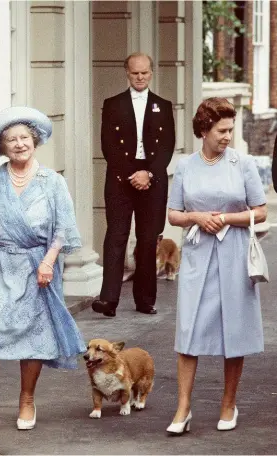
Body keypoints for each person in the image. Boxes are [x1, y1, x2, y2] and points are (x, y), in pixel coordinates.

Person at [0, 107, 86, 433]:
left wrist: (48, 262)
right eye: (11, 140)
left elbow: (63, 230)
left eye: (23, 138)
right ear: (3, 147)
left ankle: (27, 400)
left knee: (33, 335)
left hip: (36, 269)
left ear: (35, 140)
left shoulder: (52, 182)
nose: (19, 144)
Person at [166, 97, 267, 434]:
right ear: (204, 130)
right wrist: (196, 217)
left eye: (230, 129)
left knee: (233, 329)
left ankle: (228, 403)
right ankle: (183, 408)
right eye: (222, 130)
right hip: (197, 254)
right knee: (188, 330)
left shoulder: (243, 163)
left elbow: (261, 210)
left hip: (235, 252)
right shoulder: (185, 165)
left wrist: (225, 218)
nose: (227, 136)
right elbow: (175, 214)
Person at [92, 52, 175, 317]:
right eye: (135, 73)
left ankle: (145, 300)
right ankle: (108, 299)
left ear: (151, 73)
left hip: (152, 180)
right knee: (116, 236)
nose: (140, 77)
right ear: (126, 73)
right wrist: (132, 174)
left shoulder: (163, 105)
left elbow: (166, 147)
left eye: (145, 73)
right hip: (120, 179)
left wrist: (148, 174)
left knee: (148, 240)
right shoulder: (112, 104)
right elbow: (108, 146)